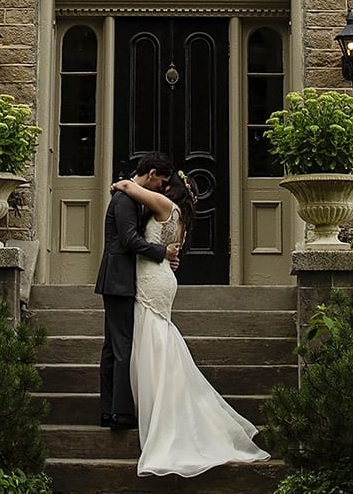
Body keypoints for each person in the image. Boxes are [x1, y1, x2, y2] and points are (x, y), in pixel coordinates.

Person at [111, 164, 270, 477]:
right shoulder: (178, 216)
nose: (160, 188)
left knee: (154, 339)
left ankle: (161, 411)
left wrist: (117, 185)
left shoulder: (164, 205)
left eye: (166, 185)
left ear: (173, 191)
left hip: (152, 279)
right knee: (158, 339)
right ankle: (158, 405)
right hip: (159, 276)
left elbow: (129, 188)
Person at [96, 153, 177, 429]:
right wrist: (161, 252)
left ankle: (108, 410)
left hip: (120, 279)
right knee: (121, 347)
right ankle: (120, 413)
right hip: (118, 279)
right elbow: (129, 240)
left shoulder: (130, 195)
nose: (162, 189)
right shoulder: (125, 199)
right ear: (152, 173)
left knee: (112, 346)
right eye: (161, 182)